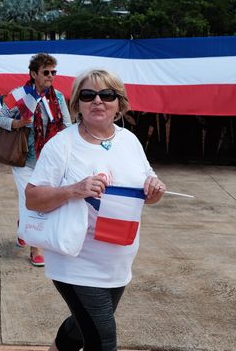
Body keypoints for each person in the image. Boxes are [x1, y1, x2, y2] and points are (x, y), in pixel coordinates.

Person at [25, 69, 167, 351]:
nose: (98, 101)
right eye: (88, 95)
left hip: (118, 259)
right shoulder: (62, 145)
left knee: (81, 326)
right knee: (103, 341)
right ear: (77, 103)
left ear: (119, 103)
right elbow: (32, 198)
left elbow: (147, 194)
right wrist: (73, 190)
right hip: (76, 259)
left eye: (107, 95)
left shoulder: (130, 141)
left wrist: (155, 190)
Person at [0, 53, 70, 266]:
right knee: (29, 201)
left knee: (46, 200)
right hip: (25, 160)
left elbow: (66, 124)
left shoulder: (58, 97)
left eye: (53, 72)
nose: (50, 76)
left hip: (49, 161)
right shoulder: (19, 95)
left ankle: (24, 226)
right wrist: (18, 124)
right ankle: (36, 246)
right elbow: (0, 118)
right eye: (46, 72)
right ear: (34, 74)